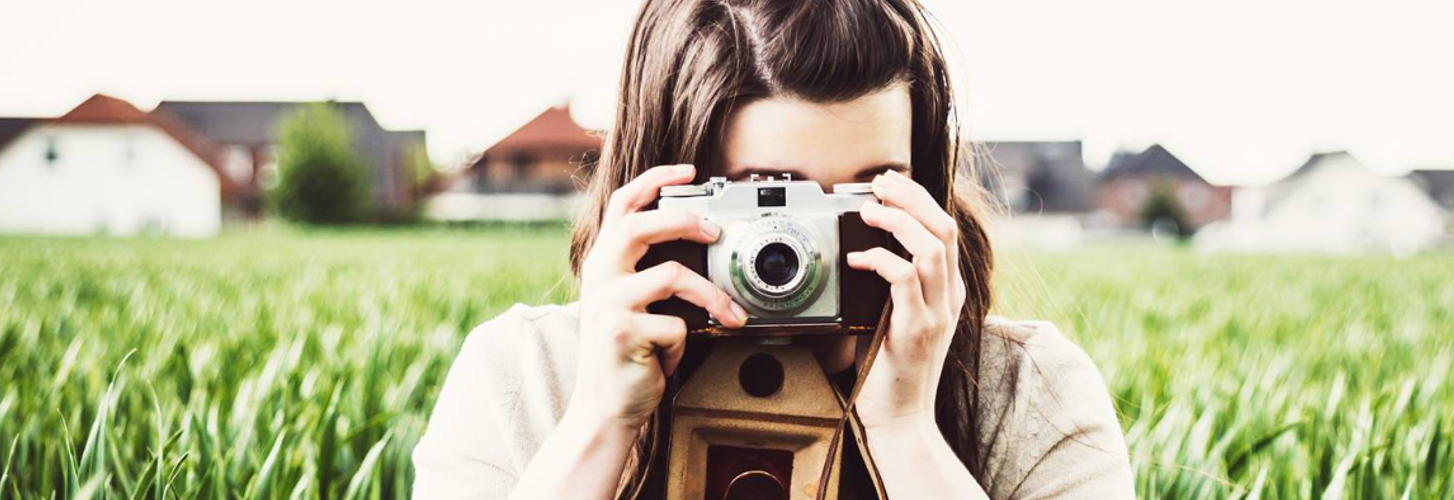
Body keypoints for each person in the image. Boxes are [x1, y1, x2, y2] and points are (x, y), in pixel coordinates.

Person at [412, 0, 1133, 498]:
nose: (800, 254)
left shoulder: (1024, 394)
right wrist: (600, 423)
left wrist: (907, 431)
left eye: (867, 197)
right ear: (661, 191)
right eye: (771, 200)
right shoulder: (526, 381)